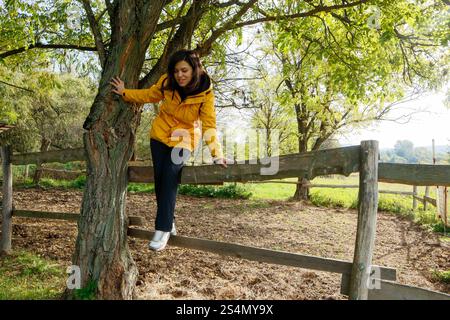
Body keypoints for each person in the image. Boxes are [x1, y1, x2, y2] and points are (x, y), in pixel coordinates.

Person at [110, 49, 227, 252]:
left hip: (185, 136)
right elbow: (149, 95)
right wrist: (125, 92)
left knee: (172, 172)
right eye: (176, 71)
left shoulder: (205, 92)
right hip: (161, 134)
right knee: (160, 177)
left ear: (194, 70)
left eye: (184, 70)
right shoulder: (166, 83)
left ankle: (162, 229)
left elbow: (209, 125)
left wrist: (217, 154)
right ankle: (169, 221)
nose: (180, 75)